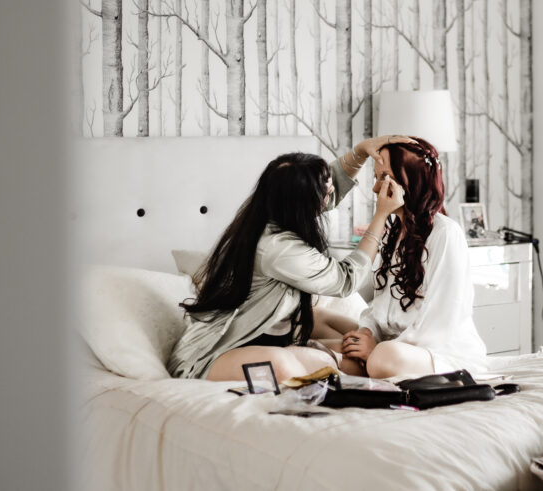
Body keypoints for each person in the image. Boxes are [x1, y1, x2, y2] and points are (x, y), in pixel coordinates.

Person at [167, 135, 414, 382]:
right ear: (302, 204)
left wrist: (359, 152)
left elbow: (331, 186)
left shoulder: (271, 209)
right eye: (325, 194)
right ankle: (322, 363)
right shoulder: (278, 249)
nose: (330, 194)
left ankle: (322, 359)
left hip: (270, 336)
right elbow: (346, 280)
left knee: (351, 332)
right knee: (283, 363)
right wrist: (381, 217)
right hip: (210, 357)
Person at [340, 138, 488, 378]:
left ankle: (378, 359)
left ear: (413, 178)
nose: (376, 189)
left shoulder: (446, 233)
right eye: (375, 178)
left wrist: (377, 348)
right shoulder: (393, 231)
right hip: (396, 348)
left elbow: (439, 322)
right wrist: (367, 333)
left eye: (385, 177)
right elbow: (380, 305)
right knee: (348, 355)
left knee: (382, 357)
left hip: (439, 353)